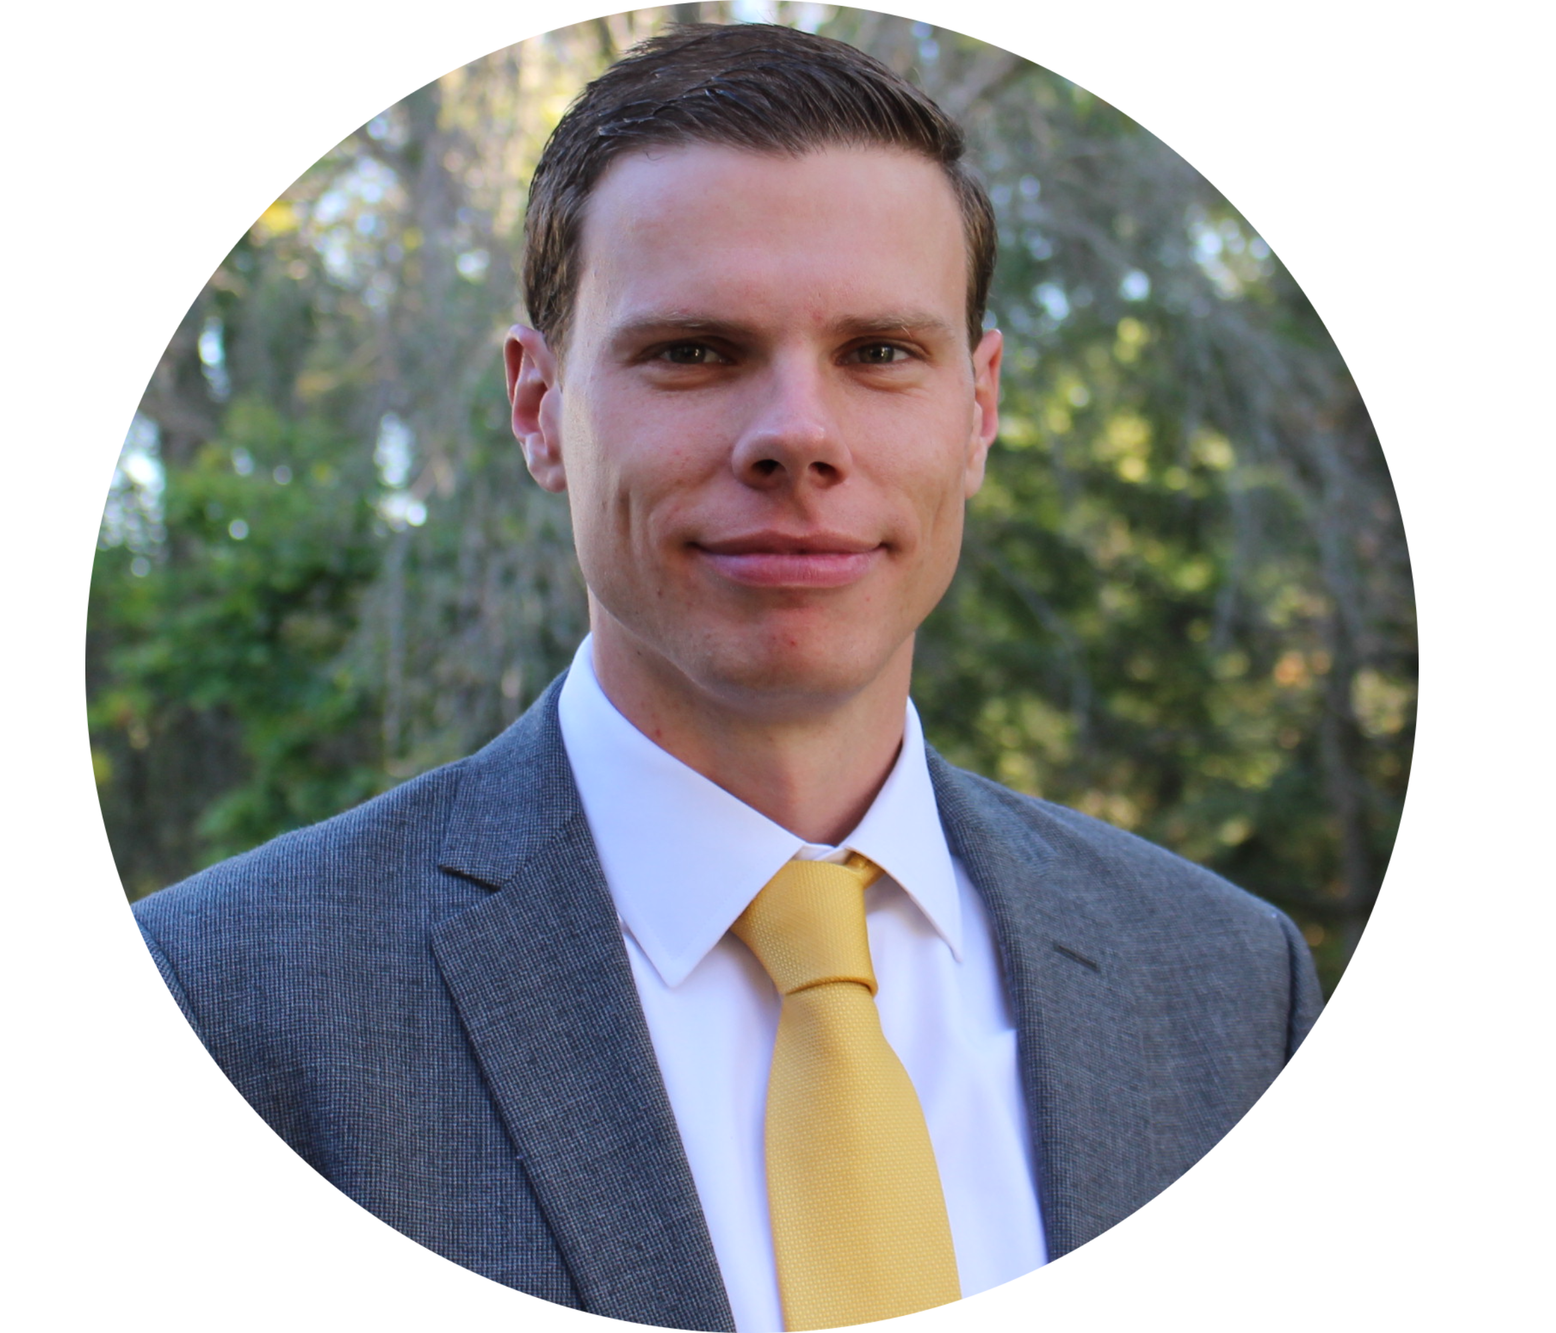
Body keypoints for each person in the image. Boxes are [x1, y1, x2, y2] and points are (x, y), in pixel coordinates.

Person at [134, 23, 1320, 1333]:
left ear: (977, 409)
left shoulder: (1226, 990)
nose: (798, 436)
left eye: (879, 353)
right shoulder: (214, 1009)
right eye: (694, 350)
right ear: (538, 408)